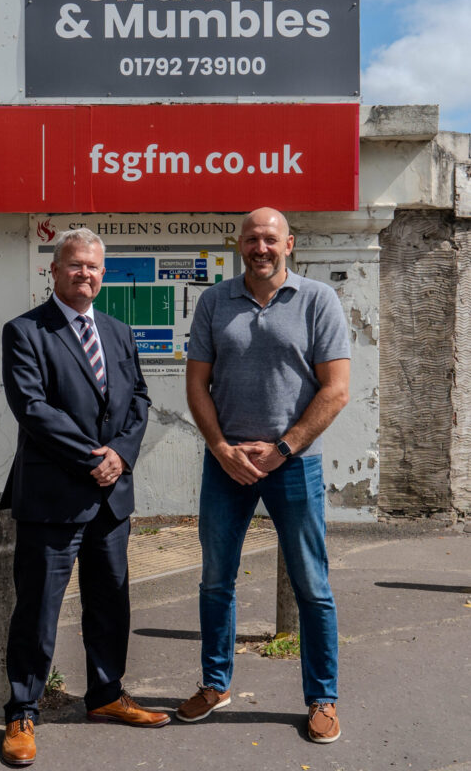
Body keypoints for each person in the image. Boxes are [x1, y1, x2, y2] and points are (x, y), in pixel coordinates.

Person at [176, 207, 350, 744]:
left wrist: (283, 448)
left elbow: (336, 389)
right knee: (215, 581)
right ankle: (215, 683)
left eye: (270, 238)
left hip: (293, 465)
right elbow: (196, 385)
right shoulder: (214, 301)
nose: (260, 247)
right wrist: (222, 447)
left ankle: (322, 698)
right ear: (239, 244)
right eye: (251, 238)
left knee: (312, 587)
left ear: (289, 243)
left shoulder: (318, 300)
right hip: (226, 467)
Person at [0, 227, 169, 767]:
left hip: (111, 498)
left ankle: (106, 695)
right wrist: (94, 458)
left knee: (109, 601)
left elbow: (138, 399)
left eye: (94, 267)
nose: (85, 274)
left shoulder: (118, 332)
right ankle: (22, 711)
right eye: (74, 265)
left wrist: (120, 455)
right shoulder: (25, 331)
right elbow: (31, 407)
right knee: (38, 610)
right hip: (53, 497)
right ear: (53, 271)